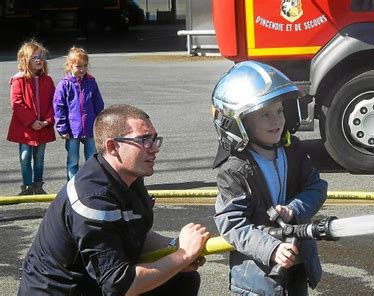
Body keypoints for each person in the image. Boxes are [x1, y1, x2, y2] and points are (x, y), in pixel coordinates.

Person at [18, 104, 210, 295]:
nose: (154, 149)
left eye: (154, 139)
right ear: (113, 146)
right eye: (144, 140)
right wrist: (182, 255)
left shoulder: (129, 176)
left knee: (183, 279)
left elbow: (135, 233)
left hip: (96, 283)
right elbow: (120, 285)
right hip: (63, 291)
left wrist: (173, 246)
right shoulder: (93, 199)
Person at [211, 61, 328, 295]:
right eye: (265, 114)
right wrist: (271, 249)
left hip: (297, 266)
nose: (276, 121)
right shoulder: (233, 170)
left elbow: (316, 187)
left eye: (280, 111)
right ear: (239, 122)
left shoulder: (293, 150)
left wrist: (294, 209)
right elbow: (233, 224)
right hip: (257, 278)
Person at [7, 40, 56, 195]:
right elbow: (17, 103)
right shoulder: (19, 80)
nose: (39, 60)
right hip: (25, 129)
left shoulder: (48, 80)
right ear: (25, 60)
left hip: (43, 127)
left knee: (39, 158)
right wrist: (32, 121)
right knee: (25, 156)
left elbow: (54, 102)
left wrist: (47, 120)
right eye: (35, 57)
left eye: (41, 57)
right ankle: (27, 186)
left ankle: (38, 185)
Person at [53, 46, 105, 181]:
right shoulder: (64, 85)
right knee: (73, 160)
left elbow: (98, 102)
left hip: (90, 127)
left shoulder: (91, 82)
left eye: (85, 65)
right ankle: (72, 185)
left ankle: (90, 183)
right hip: (72, 130)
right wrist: (62, 128)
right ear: (69, 66)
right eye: (78, 66)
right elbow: (59, 108)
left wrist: (99, 122)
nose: (82, 69)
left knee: (92, 159)